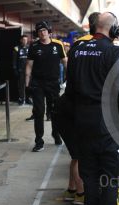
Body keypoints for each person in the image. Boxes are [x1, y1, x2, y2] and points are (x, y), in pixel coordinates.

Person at [66, 12, 119, 205]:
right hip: (107, 124)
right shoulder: (115, 52)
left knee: (89, 177)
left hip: (82, 121)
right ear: (113, 29)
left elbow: (69, 88)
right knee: (110, 179)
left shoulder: (77, 49)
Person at [55, 11, 101, 205]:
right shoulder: (100, 46)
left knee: (76, 155)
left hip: (64, 107)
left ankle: (72, 190)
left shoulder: (78, 45)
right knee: (80, 155)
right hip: (70, 110)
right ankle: (81, 195)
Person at [25, 21, 67, 152]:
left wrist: (71, 79)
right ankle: (39, 141)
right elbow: (29, 66)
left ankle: (56, 134)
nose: (42, 33)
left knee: (54, 111)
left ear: (49, 31)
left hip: (53, 84)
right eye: (39, 31)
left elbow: (66, 63)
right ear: (37, 33)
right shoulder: (34, 46)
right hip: (38, 84)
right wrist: (27, 85)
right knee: (39, 112)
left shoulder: (57, 45)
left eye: (44, 30)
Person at [13, 35, 30, 105]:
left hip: (28, 71)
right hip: (21, 70)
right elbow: (14, 60)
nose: (25, 41)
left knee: (28, 85)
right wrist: (15, 69)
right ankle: (21, 99)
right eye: (23, 40)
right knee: (21, 86)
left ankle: (27, 99)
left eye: (26, 40)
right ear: (21, 40)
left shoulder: (30, 48)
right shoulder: (17, 48)